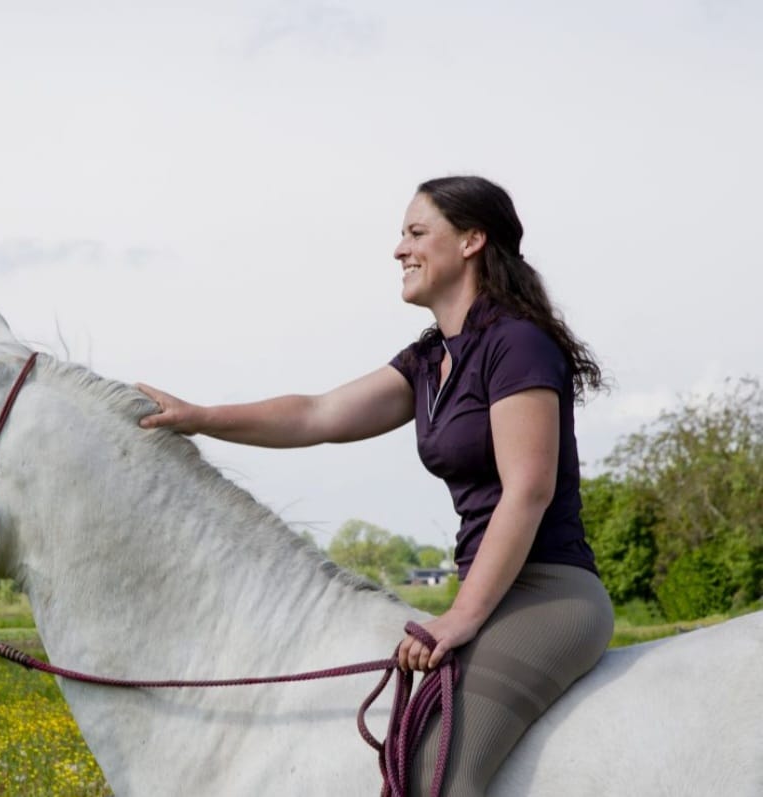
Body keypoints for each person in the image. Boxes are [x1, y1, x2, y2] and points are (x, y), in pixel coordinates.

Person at [136, 175, 614, 795]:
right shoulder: (430, 360)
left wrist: (460, 616)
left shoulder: (515, 344)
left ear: (471, 240)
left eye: (417, 233)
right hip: (492, 592)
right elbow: (317, 414)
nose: (399, 250)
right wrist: (201, 419)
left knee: (435, 772)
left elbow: (529, 489)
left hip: (550, 592)